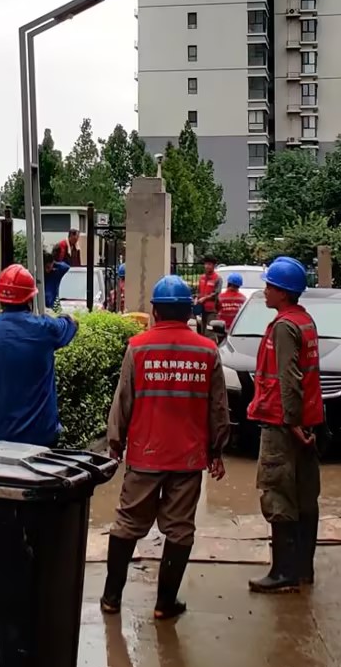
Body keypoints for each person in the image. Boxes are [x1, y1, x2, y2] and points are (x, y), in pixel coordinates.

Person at [100, 275, 229, 619]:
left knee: (127, 523)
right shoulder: (207, 350)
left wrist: (115, 444)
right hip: (188, 458)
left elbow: (122, 402)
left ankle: (111, 598)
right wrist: (216, 451)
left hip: (145, 455)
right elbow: (219, 408)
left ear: (155, 311)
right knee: (180, 529)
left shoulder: (138, 347)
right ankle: (164, 604)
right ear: (189, 312)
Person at [247, 255, 321, 594]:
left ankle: (283, 573)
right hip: (305, 421)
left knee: (278, 492)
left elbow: (289, 379)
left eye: (270, 286)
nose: (265, 291)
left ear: (283, 292)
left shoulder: (284, 327)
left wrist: (292, 424)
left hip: (283, 423)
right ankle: (303, 569)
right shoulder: (304, 321)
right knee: (305, 495)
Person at [0, 264, 76, 447]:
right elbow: (70, 325)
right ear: (31, 297)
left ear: (0, 298)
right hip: (41, 435)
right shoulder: (46, 328)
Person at [45, 233, 74, 306]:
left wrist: (55, 264)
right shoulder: (42, 274)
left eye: (48, 267)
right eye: (45, 268)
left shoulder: (57, 271)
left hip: (55, 303)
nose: (47, 270)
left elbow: (66, 267)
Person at [193, 258, 221, 332]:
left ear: (213, 266)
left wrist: (205, 298)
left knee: (210, 331)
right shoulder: (202, 277)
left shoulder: (217, 278)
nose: (207, 266)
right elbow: (198, 291)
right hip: (201, 309)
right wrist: (196, 298)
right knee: (202, 330)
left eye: (209, 264)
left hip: (212, 309)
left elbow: (216, 293)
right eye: (206, 264)